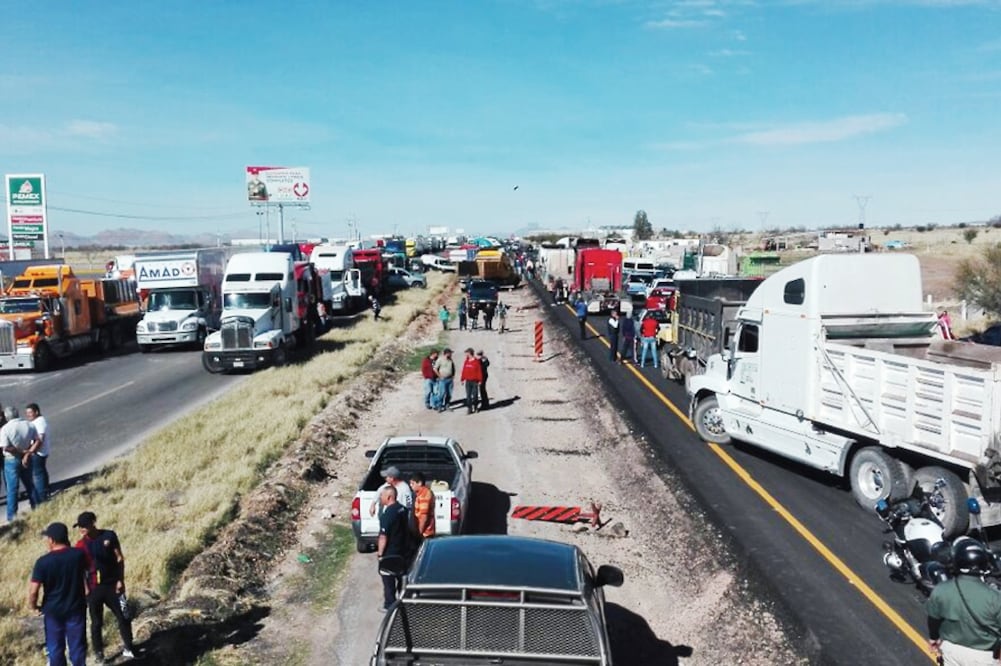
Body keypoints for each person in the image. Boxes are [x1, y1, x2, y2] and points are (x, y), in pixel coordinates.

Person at [927, 539, 1001, 665]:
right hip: (983, 657)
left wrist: (934, 639)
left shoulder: (941, 590)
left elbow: (933, 620)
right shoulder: (995, 597)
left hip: (951, 651)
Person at [74, 511, 136, 662]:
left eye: (84, 525)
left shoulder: (109, 536)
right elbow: (80, 570)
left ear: (93, 523)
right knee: (96, 622)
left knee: (123, 616)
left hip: (112, 584)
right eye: (79, 526)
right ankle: (99, 654)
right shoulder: (80, 546)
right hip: (94, 588)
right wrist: (86, 590)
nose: (82, 529)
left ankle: (129, 647)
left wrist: (120, 580)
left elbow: (119, 558)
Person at [29, 522, 89, 666]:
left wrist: (33, 607)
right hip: (76, 608)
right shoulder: (78, 555)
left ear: (52, 540)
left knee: (55, 649)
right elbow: (85, 576)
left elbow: (33, 591)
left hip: (53, 611)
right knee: (77, 648)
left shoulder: (43, 562)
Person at [376, 486, 410, 611]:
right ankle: (404, 600)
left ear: (389, 497)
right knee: (402, 577)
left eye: (382, 496)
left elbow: (383, 537)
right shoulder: (403, 509)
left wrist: (380, 554)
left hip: (390, 553)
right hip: (403, 551)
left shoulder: (387, 515)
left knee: (388, 579)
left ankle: (389, 605)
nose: (380, 498)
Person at [1, 405, 37, 522]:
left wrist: (20, 451)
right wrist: (27, 452)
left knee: (12, 490)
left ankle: (12, 518)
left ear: (6, 417)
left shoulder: (5, 429)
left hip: (12, 460)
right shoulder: (29, 424)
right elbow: (37, 440)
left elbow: (6, 447)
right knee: (30, 485)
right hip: (26, 458)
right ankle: (37, 507)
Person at [25, 403, 50, 504]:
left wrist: (30, 452)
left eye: (30, 412)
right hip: (41, 452)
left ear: (37, 412)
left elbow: (40, 440)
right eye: (27, 413)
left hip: (38, 453)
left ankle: (41, 498)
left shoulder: (39, 422)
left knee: (38, 475)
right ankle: (45, 491)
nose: (28, 415)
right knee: (42, 472)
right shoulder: (38, 421)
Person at [408, 472, 436, 544]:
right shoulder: (419, 494)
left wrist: (419, 533)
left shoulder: (424, 495)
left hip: (425, 533)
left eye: (412, 483)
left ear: (419, 483)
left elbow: (424, 517)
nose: (411, 486)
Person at [461, 348, 484, 414]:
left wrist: (480, 380)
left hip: (475, 381)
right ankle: (469, 408)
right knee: (468, 396)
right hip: (468, 381)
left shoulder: (476, 361)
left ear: (469, 353)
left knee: (475, 395)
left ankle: (476, 407)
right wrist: (462, 379)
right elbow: (464, 371)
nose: (465, 354)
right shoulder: (466, 361)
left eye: (466, 353)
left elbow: (479, 371)